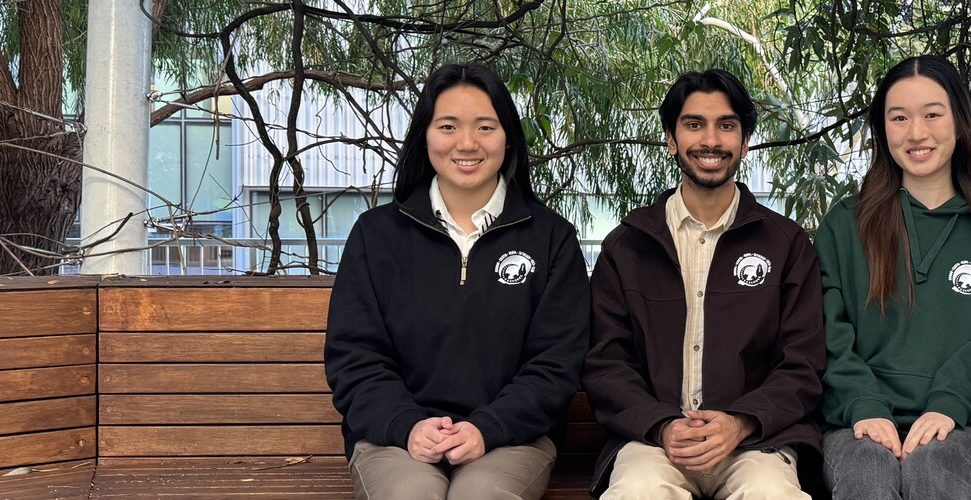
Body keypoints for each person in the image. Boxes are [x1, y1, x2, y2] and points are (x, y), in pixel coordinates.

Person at [324, 61, 591, 500]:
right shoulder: (376, 235)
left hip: (510, 438)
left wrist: (488, 427)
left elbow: (555, 364)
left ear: (508, 137)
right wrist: (408, 425)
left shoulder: (551, 238)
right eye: (448, 126)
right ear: (425, 136)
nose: (467, 143)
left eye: (485, 127)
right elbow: (356, 357)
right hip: (396, 440)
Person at [583, 68, 826, 500]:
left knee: (772, 494)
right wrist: (661, 425)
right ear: (671, 139)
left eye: (726, 126)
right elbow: (607, 363)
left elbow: (803, 363)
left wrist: (740, 421)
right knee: (637, 492)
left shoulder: (786, 244)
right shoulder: (627, 246)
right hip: (653, 443)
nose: (710, 140)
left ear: (745, 142)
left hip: (756, 442)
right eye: (694, 124)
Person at [814, 55, 971, 500]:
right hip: (857, 421)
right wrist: (864, 404)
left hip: (963, 423)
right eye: (899, 118)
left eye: (932, 115)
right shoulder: (845, 225)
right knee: (868, 478)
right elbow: (827, 331)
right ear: (882, 129)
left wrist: (949, 404)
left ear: (959, 123)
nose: (916, 133)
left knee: (932, 474)